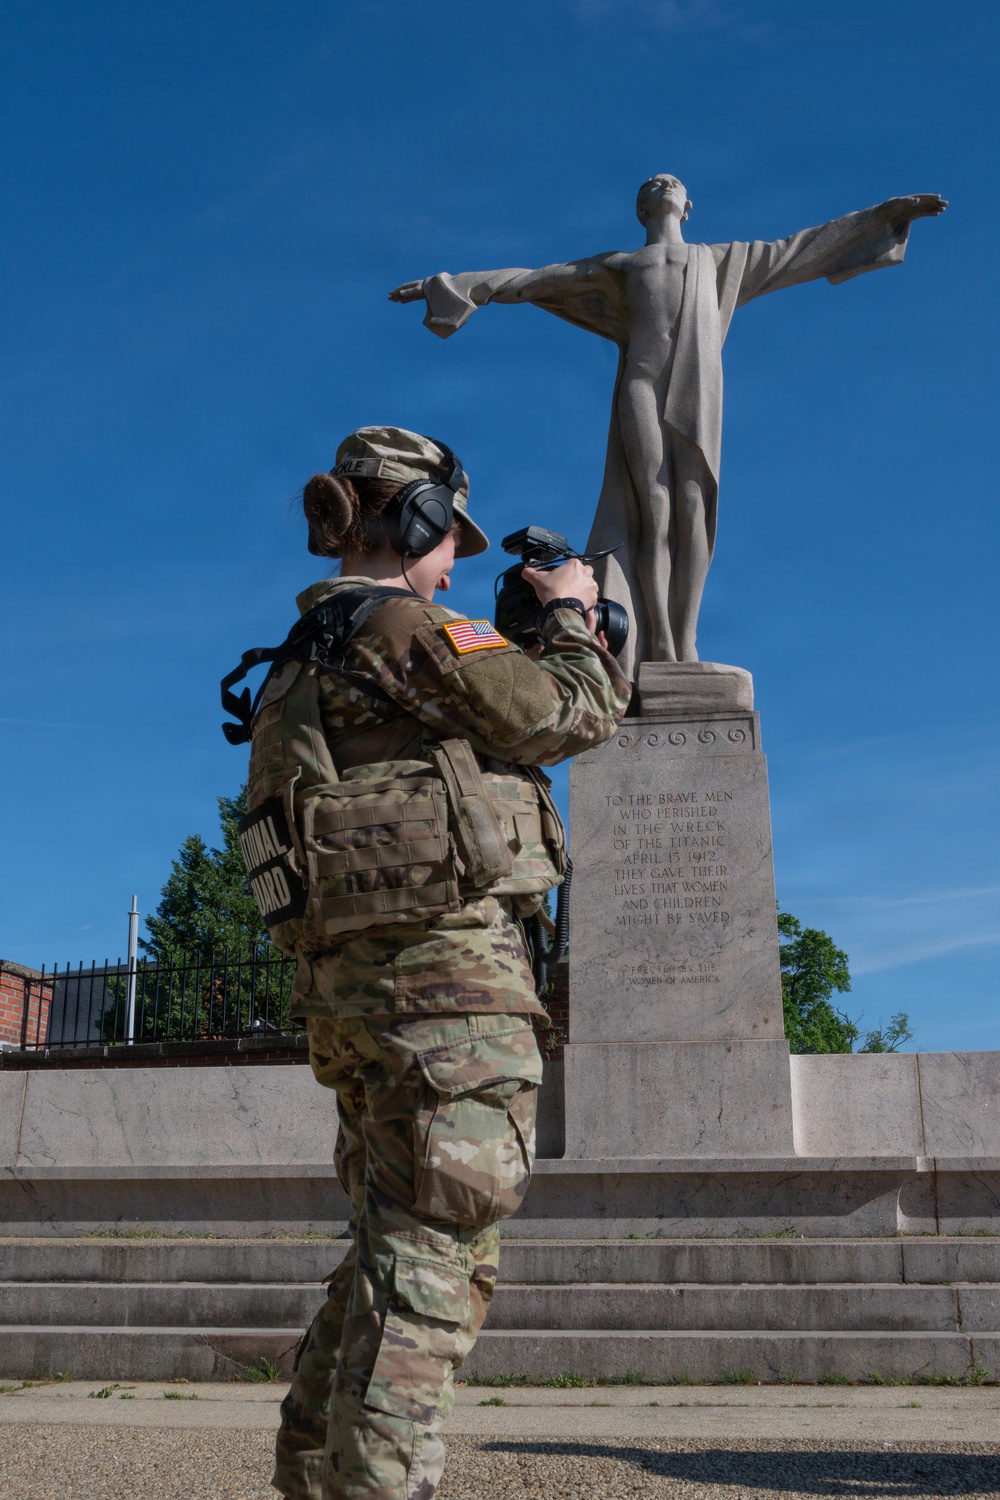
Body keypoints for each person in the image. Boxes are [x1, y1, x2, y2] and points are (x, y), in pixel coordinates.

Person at [237, 426, 630, 1500]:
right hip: (445, 998)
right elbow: (570, 715)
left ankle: (315, 1475)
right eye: (447, 534)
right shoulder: (405, 622)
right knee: (435, 1268)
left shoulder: (302, 654)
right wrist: (569, 615)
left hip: (362, 1002)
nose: (455, 558)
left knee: (389, 1254)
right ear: (414, 520)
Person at [390, 178, 946, 671]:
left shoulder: (725, 260)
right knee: (651, 511)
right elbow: (528, 280)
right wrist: (451, 285)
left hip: (697, 391)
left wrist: (885, 217)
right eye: (652, 184)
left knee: (693, 509)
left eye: (672, 182)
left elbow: (801, 249)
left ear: (687, 205)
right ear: (641, 208)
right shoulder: (619, 266)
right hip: (641, 383)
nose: (663, 183)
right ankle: (655, 643)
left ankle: (686, 640)